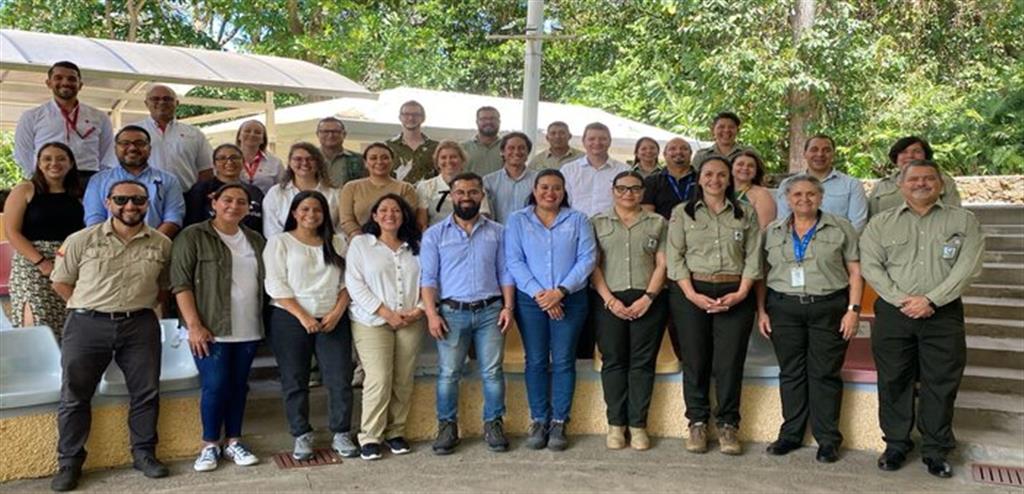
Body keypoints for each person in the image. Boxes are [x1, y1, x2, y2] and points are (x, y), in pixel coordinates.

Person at [860, 160, 983, 479]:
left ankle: (936, 449)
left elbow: (968, 267)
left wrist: (931, 300)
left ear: (940, 184)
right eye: (914, 178)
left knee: (941, 381)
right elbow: (871, 266)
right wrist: (903, 300)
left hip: (943, 313)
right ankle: (896, 444)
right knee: (893, 379)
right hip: (894, 312)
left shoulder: (963, 221)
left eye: (929, 178)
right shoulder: (881, 223)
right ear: (901, 185)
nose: (921, 183)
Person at [48, 179, 173, 492]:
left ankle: (144, 454)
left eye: (138, 200)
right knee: (74, 395)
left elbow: (163, 288)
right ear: (108, 203)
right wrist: (86, 306)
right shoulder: (81, 239)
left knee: (146, 392)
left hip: (139, 324)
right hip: (87, 325)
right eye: (121, 199)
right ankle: (69, 462)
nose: (130, 206)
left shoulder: (161, 244)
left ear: (147, 204)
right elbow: (60, 281)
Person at [756, 175, 862, 464]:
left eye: (811, 194)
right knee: (791, 372)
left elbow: (855, 272)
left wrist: (853, 310)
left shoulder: (841, 227)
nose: (804, 199)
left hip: (828, 307)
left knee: (825, 373)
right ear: (787, 199)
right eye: (797, 195)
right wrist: (761, 311)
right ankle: (791, 434)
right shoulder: (772, 231)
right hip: (783, 308)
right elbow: (762, 274)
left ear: (821, 197)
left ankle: (827, 439)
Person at [666, 155, 763, 456]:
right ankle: (697, 422)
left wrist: (742, 292)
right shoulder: (683, 212)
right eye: (708, 174)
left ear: (729, 179)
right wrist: (691, 294)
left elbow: (754, 256)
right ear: (699, 178)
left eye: (721, 174)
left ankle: (728, 425)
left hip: (735, 292)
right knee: (695, 360)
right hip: (692, 292)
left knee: (729, 362)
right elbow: (674, 257)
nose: (715, 180)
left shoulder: (745, 212)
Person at [171, 184, 266, 472]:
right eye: (227, 200)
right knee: (215, 385)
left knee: (238, 386)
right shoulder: (193, 235)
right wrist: (194, 325)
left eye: (241, 202)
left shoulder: (256, 239)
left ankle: (234, 441)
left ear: (248, 208)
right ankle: (209, 444)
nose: (234, 206)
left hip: (249, 325)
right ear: (214, 202)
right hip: (211, 328)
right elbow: (181, 283)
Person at [420, 172, 516, 455]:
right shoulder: (434, 234)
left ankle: (494, 424)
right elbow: (428, 279)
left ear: (481, 195)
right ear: (451, 196)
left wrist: (508, 307)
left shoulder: (498, 232)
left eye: (473, 192)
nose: (466, 197)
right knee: (449, 373)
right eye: (460, 192)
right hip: (452, 313)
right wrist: (431, 315)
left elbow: (505, 272)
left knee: (493, 371)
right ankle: (447, 427)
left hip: (491, 311)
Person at [504, 169, 597, 451]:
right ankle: (539, 419)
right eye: (544, 187)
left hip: (571, 299)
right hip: (531, 301)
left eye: (556, 188)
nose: (550, 193)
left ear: (563, 191)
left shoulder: (578, 219)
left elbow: (588, 258)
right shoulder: (517, 220)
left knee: (564, 360)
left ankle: (558, 421)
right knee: (535, 360)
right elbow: (514, 260)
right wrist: (541, 295)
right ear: (534, 190)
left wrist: (560, 293)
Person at [263, 191, 357, 461]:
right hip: (290, 318)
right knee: (295, 379)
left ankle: (341, 432)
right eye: (304, 209)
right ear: (294, 213)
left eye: (317, 209)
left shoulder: (337, 242)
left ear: (325, 214)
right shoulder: (280, 242)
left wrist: (337, 312)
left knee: (339, 378)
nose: (311, 214)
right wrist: (303, 317)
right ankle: (301, 433)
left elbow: (347, 282)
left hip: (332, 318)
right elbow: (276, 283)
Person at [590, 171, 669, 451]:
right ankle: (616, 425)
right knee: (613, 362)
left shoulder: (658, 223)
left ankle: (638, 425)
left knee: (642, 363)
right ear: (613, 191)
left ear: (643, 192)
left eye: (635, 189)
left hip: (648, 300)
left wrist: (648, 298)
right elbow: (593, 265)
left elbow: (662, 264)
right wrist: (610, 301)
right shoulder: (597, 222)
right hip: (608, 300)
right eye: (622, 188)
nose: (628, 193)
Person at [345, 194, 426, 461]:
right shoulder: (361, 244)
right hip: (371, 321)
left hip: (411, 319)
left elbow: (430, 279)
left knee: (403, 379)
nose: (390, 215)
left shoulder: (417, 245)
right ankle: (370, 436)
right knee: (379, 378)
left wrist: (419, 309)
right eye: (383, 210)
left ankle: (395, 432)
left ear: (404, 216)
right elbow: (355, 283)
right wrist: (387, 314)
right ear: (375, 216)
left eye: (396, 210)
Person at [3, 142, 84, 336]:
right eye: (47, 159)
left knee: (70, 322)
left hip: (69, 263)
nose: (54, 163)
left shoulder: (79, 194)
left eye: (61, 159)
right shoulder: (25, 189)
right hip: (32, 263)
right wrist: (42, 263)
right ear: (39, 164)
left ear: (71, 163)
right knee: (36, 320)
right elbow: (12, 232)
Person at [14, 61, 115, 183]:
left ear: (80, 85)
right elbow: (23, 152)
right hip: (48, 177)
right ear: (49, 83)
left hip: (87, 178)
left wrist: (100, 181)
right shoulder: (32, 116)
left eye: (72, 79)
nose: (65, 83)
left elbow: (108, 152)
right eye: (58, 78)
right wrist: (36, 179)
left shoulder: (99, 117)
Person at [83, 125, 185, 238]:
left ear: (149, 149)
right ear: (115, 149)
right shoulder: (98, 181)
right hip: (108, 246)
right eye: (125, 143)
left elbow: (173, 219)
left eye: (140, 143)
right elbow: (94, 220)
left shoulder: (169, 180)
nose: (132, 148)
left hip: (154, 245)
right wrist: (116, 245)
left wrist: (149, 243)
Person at [775, 134, 868, 231]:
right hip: (797, 240)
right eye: (814, 150)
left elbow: (858, 225)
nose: (820, 154)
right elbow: (783, 222)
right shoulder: (788, 184)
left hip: (839, 239)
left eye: (826, 150)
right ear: (805, 153)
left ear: (833, 154)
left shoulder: (852, 185)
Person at [132, 85, 214, 190]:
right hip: (143, 196)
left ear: (177, 103)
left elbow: (206, 169)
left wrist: (198, 194)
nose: (162, 102)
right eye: (155, 99)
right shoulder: (132, 132)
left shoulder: (194, 134)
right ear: (146, 103)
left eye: (167, 99)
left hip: (185, 195)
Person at [339, 143, 425, 238]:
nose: (379, 162)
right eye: (373, 158)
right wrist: (362, 240)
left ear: (392, 161)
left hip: (397, 240)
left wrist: (387, 240)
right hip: (359, 240)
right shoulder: (351, 187)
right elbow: (346, 220)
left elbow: (408, 219)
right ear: (365, 163)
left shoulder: (405, 188)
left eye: (385, 158)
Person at [867, 136, 961, 217]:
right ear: (896, 157)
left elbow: (954, 215)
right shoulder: (882, 186)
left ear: (926, 156)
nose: (910, 156)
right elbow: (871, 219)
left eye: (917, 151)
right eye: (904, 152)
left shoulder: (944, 182)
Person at [262, 142, 341, 238]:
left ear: (318, 163)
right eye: (298, 159)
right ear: (289, 162)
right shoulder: (276, 193)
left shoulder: (335, 194)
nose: (305, 163)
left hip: (327, 245)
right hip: (285, 246)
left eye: (310, 159)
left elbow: (340, 229)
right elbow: (271, 230)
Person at [184, 144, 265, 235]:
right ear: (214, 164)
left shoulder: (255, 192)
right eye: (222, 158)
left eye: (234, 157)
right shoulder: (200, 190)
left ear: (243, 161)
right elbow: (192, 226)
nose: (229, 162)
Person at [561, 122, 630, 218]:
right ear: (583, 141)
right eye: (591, 139)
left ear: (610, 141)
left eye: (602, 139)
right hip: (575, 224)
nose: (597, 143)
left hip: (613, 224)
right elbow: (561, 201)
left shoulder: (624, 171)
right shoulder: (568, 170)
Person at [416, 140, 492, 226]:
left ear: (462, 160)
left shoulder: (475, 185)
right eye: (443, 157)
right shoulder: (425, 187)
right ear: (437, 162)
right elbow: (422, 224)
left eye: (453, 157)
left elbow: (484, 218)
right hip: (436, 234)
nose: (448, 161)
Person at [484, 132, 539, 224]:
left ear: (528, 152)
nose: (516, 152)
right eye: (511, 148)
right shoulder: (488, 181)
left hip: (531, 232)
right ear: (502, 152)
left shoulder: (539, 180)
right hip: (499, 232)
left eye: (521, 148)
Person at [642, 137, 697, 219]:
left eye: (684, 148)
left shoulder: (703, 179)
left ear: (691, 153)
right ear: (665, 154)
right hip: (663, 226)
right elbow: (647, 214)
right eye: (673, 149)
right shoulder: (651, 181)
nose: (678, 152)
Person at [386, 100, 439, 183]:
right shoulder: (387, 147)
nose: (411, 118)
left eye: (416, 115)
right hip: (395, 191)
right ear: (400, 117)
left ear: (423, 118)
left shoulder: (436, 147)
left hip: (428, 191)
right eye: (406, 114)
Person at [236, 120, 284, 193]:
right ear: (239, 136)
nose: (252, 134)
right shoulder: (227, 160)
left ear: (263, 139)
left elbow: (283, 189)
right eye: (247, 131)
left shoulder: (275, 162)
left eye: (257, 132)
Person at [317, 117, 366, 188]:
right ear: (317, 134)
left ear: (344, 134)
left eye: (335, 131)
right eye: (325, 131)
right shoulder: (309, 158)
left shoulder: (359, 159)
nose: (330, 135)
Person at [731, 149, 776, 229]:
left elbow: (766, 229)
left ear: (756, 171)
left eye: (751, 166)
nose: (745, 168)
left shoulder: (761, 194)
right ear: (731, 167)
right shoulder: (722, 191)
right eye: (740, 164)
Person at [462, 106, 504, 176]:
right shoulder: (463, 148)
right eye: (484, 119)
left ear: (499, 122)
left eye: (493, 118)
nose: (488, 122)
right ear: (477, 122)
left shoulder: (508, 148)